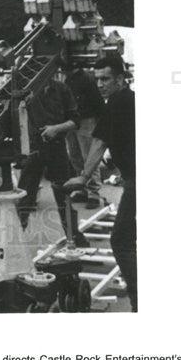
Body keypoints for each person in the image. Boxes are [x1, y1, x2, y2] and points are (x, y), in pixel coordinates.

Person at [65, 53, 136, 311]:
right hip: (132, 177)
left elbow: (99, 141)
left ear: (120, 79)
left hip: (136, 181)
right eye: (97, 79)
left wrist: (83, 177)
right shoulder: (128, 100)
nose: (100, 84)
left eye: (105, 78)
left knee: (120, 241)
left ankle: (140, 299)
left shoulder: (117, 102)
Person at [16, 73, 88, 247]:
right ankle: (15, 242)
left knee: (63, 195)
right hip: (33, 149)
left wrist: (56, 128)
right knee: (24, 196)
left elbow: (75, 121)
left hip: (56, 147)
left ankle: (73, 238)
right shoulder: (25, 89)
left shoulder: (61, 89)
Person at [63, 65, 105, 208]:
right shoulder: (69, 79)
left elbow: (97, 102)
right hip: (74, 120)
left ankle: (93, 193)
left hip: (87, 120)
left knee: (88, 156)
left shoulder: (86, 79)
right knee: (75, 155)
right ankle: (82, 188)